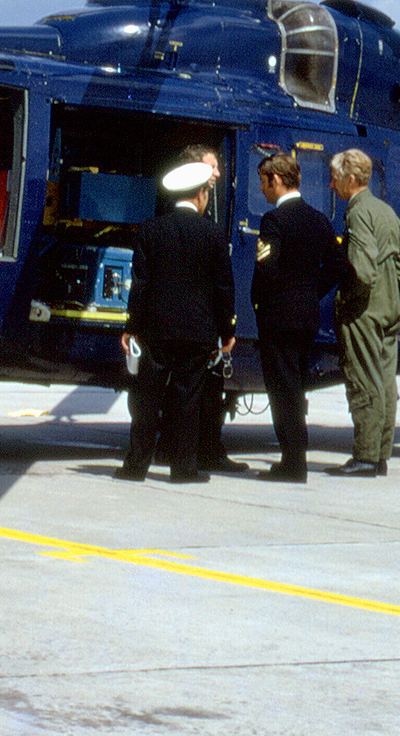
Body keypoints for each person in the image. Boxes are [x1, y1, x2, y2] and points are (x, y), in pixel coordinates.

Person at [118, 160, 237, 483]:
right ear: (200, 194)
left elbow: (140, 284)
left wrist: (131, 327)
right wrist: (227, 330)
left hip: (156, 329)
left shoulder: (151, 230)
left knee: (146, 398)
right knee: (188, 399)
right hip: (198, 331)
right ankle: (183, 468)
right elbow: (224, 287)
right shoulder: (213, 234)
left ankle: (136, 465)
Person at [251, 152, 347, 482]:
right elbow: (338, 264)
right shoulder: (319, 220)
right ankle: (296, 456)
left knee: (282, 390)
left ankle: (292, 461)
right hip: (306, 316)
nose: (262, 189)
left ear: (277, 181)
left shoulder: (274, 221)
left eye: (264, 183)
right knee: (296, 388)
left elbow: (266, 269)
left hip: (279, 317)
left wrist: (265, 303)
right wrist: (309, 291)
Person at [328, 148, 400, 477]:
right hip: (389, 310)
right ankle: (379, 455)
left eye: (335, 179)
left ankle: (364, 456)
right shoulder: (385, 211)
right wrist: (389, 293)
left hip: (364, 312)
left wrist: (353, 300)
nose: (332, 186)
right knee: (385, 382)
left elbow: (362, 270)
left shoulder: (358, 213)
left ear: (351, 180)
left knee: (364, 380)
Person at [179, 143, 246, 473]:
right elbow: (221, 283)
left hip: (180, 322)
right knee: (203, 391)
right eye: (213, 167)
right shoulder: (206, 227)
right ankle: (203, 452)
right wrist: (227, 328)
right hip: (198, 324)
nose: (219, 173)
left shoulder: (204, 213)